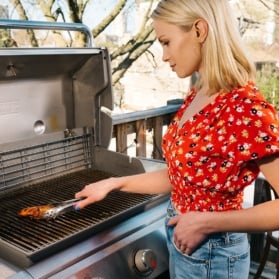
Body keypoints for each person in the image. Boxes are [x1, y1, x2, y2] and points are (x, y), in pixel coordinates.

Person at [75, 0, 279, 278]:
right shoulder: (199, 93)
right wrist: (116, 183)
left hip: (215, 254)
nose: (163, 55)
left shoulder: (243, 108)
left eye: (167, 42)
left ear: (199, 30)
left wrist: (205, 223)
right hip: (185, 240)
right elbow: (181, 178)